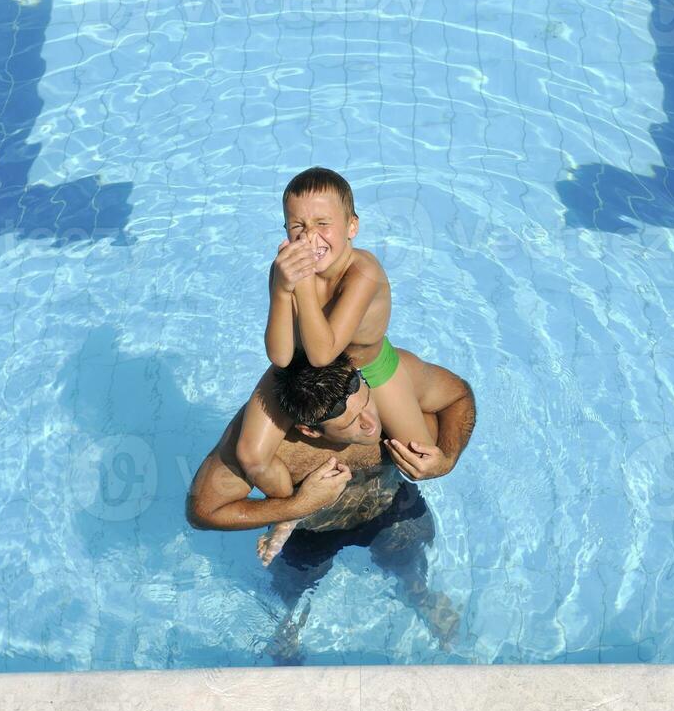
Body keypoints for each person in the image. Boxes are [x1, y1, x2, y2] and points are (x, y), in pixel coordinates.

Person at [187, 346, 475, 660]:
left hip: (386, 500)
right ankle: (290, 621)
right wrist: (298, 505)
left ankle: (419, 593)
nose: (370, 424)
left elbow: (459, 397)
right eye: (351, 423)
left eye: (364, 403)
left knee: (409, 555)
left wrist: (447, 459)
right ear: (309, 429)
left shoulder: (390, 380)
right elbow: (202, 511)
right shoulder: (276, 447)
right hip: (312, 528)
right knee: (294, 585)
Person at [234, 166, 436, 516]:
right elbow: (281, 356)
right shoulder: (285, 268)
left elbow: (324, 352)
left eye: (323, 224)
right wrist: (283, 289)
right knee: (250, 456)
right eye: (298, 226)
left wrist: (304, 285)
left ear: (352, 227)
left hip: (367, 367)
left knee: (419, 458)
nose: (310, 237)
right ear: (285, 230)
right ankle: (295, 511)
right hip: (302, 372)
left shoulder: (363, 272)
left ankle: (424, 408)